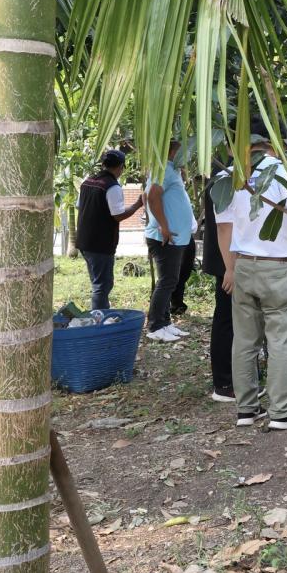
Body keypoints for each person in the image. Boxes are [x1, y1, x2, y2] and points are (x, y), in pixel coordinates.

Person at [219, 119, 287, 431]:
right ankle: (282, 412)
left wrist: (230, 267)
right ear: (268, 140)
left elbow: (223, 227)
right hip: (278, 267)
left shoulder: (227, 177)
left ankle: (246, 409)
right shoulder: (277, 168)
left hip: (243, 266)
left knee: (245, 340)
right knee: (281, 340)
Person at [75, 149, 144, 310]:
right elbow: (118, 215)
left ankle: (100, 312)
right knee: (102, 285)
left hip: (84, 241)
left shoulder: (87, 182)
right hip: (100, 244)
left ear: (103, 164)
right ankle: (100, 319)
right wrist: (137, 205)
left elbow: (80, 205)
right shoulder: (112, 187)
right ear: (120, 167)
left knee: (97, 282)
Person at [144, 140, 195, 341]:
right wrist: (164, 226)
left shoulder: (172, 170)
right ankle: (155, 326)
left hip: (176, 237)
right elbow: (152, 197)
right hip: (166, 238)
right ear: (173, 151)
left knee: (170, 281)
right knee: (167, 282)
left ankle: (165, 322)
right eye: (182, 152)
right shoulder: (163, 169)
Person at [202, 164, 235, 402]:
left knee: (236, 321)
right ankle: (224, 383)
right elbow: (224, 227)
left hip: (228, 261)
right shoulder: (225, 179)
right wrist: (229, 268)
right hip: (227, 262)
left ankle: (236, 379)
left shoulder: (227, 176)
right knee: (227, 320)